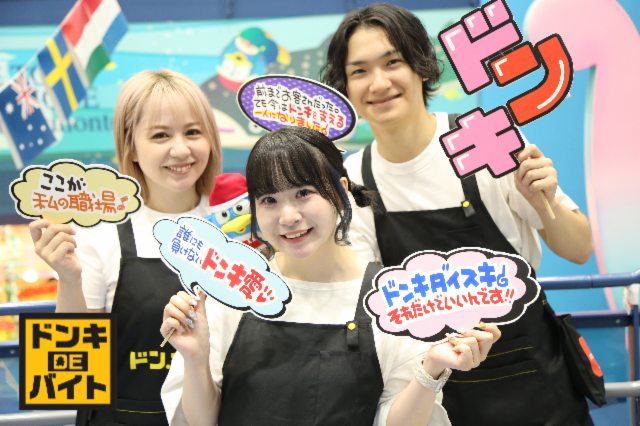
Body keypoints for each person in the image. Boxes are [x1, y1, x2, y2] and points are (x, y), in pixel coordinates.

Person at [320, 4, 595, 426]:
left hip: (534, 383)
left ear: (421, 67)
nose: (379, 83)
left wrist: (546, 200)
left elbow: (579, 249)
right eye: (359, 71)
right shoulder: (352, 179)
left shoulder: (484, 139)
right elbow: (356, 300)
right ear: (344, 87)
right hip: (433, 391)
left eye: (393, 62)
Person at [160, 126, 501, 426]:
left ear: (339, 192)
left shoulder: (391, 298)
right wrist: (195, 357)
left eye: (303, 193)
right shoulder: (230, 289)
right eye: (269, 199)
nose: (288, 217)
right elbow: (202, 420)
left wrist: (432, 369)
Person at [29, 69, 223, 426]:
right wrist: (68, 280)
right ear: (130, 145)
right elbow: (68, 380)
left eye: (193, 132)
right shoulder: (99, 231)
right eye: (160, 135)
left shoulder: (235, 222)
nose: (181, 149)